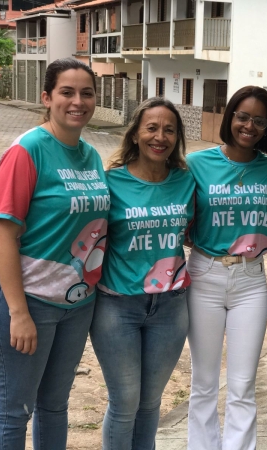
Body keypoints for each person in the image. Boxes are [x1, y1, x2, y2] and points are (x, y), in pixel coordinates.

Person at [0, 58, 108, 449]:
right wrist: (18, 313)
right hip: (28, 302)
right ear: (47, 97)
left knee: (54, 405)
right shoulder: (27, 151)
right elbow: (3, 235)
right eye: (66, 92)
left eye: (86, 93)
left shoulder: (91, 155)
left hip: (76, 304)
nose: (77, 101)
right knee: (15, 408)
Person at [90, 98, 195, 450]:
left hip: (171, 306)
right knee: (125, 403)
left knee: (151, 403)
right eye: (151, 128)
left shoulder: (186, 181)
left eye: (169, 130)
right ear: (135, 134)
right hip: (118, 307)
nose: (160, 136)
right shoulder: (110, 183)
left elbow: (194, 231)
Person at [186, 86, 267, 450]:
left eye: (259, 120)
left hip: (250, 280)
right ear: (230, 117)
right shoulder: (197, 164)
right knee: (204, 382)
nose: (250, 125)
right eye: (243, 116)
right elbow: (183, 219)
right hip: (204, 275)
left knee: (242, 385)